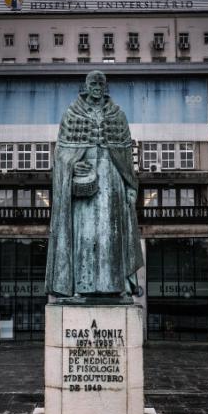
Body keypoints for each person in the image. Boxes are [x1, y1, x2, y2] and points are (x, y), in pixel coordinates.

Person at [46, 71, 143, 300]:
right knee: (84, 235)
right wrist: (72, 166)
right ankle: (81, 287)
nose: (97, 86)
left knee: (112, 236)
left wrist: (130, 188)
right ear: (86, 86)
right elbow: (61, 153)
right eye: (93, 83)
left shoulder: (118, 115)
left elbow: (126, 156)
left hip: (113, 179)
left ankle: (114, 287)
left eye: (101, 83)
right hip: (84, 183)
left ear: (105, 87)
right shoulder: (72, 114)